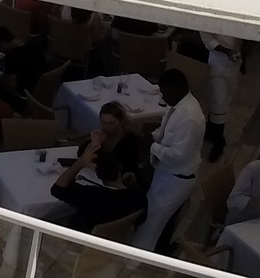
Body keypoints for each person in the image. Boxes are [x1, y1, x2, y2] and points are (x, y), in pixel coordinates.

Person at [132, 68, 205, 249]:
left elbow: (178, 156)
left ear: (179, 88)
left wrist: (152, 146)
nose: (163, 98)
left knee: (151, 224)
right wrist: (153, 136)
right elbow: (165, 132)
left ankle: (135, 263)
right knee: (155, 220)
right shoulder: (176, 106)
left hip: (176, 179)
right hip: (165, 173)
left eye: (165, 93)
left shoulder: (190, 118)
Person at [51, 102, 148, 231]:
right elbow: (81, 151)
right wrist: (95, 143)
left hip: (81, 241)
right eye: (103, 123)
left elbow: (57, 189)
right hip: (115, 231)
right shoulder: (140, 198)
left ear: (121, 122)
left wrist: (81, 162)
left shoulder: (130, 144)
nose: (106, 127)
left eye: (111, 123)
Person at [204, 35, 242, 159]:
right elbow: (208, 40)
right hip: (217, 64)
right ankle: (219, 141)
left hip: (234, 63)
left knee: (227, 99)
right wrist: (228, 51)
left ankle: (212, 131)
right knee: (218, 102)